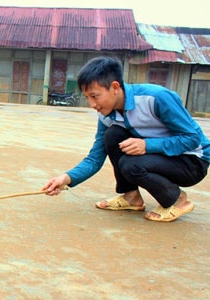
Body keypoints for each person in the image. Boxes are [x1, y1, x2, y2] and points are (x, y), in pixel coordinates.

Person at [42, 56, 210, 222]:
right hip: (164, 158)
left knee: (130, 165)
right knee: (113, 135)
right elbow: (95, 158)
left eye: (95, 96)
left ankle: (177, 200)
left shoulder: (156, 98)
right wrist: (66, 178)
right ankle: (131, 197)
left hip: (192, 162)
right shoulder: (106, 116)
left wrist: (147, 145)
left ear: (115, 87)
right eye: (87, 97)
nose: (92, 104)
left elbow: (192, 138)